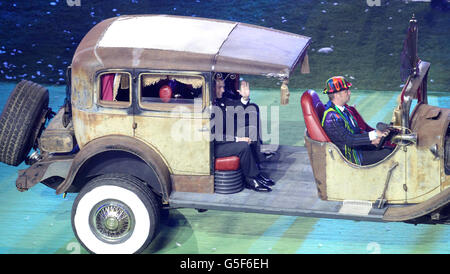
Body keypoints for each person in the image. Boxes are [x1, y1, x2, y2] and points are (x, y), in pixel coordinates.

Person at [212, 75, 275, 192]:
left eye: (223, 87)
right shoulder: (207, 108)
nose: (223, 90)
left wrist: (245, 98)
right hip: (214, 147)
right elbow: (216, 137)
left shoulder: (220, 101)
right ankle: (250, 180)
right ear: (211, 88)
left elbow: (235, 105)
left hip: (225, 137)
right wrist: (237, 139)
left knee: (251, 130)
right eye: (220, 88)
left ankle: (257, 172)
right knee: (243, 146)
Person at [321, 76, 393, 165]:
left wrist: (372, 141)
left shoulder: (344, 110)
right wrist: (375, 134)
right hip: (351, 158)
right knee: (391, 154)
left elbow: (356, 132)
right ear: (336, 95)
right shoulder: (331, 117)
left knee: (391, 151)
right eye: (346, 91)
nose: (349, 93)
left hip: (358, 150)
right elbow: (350, 140)